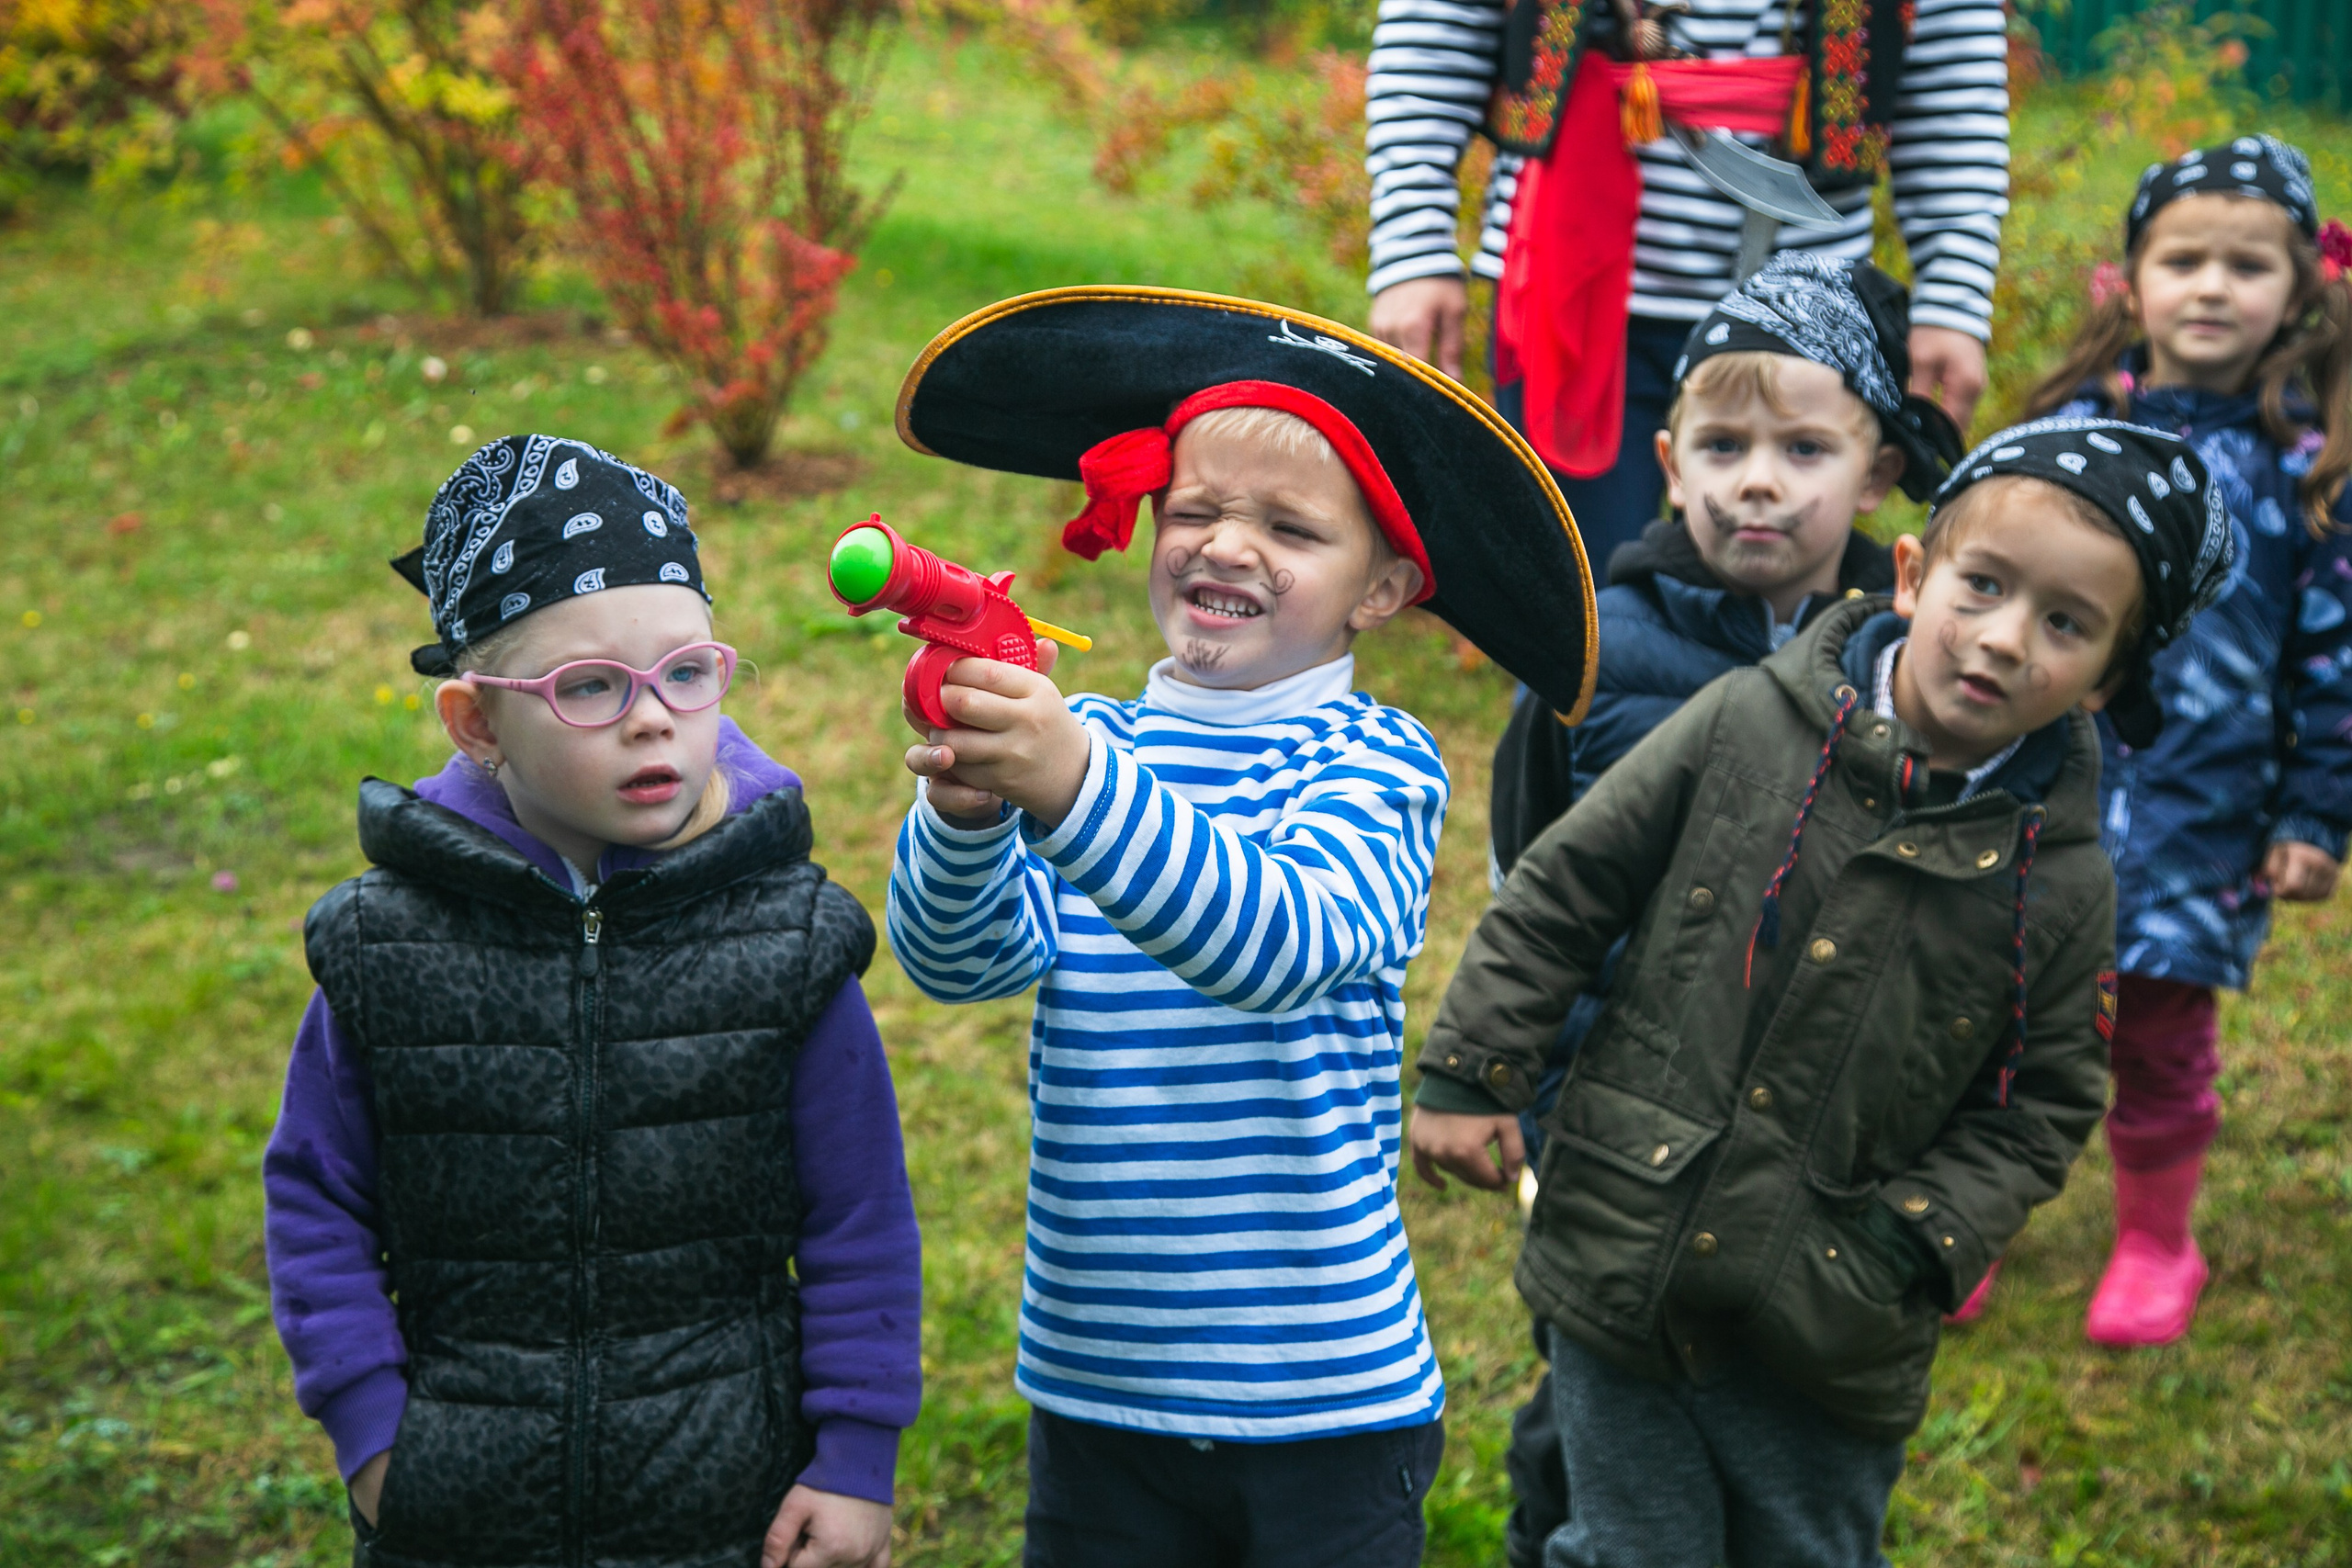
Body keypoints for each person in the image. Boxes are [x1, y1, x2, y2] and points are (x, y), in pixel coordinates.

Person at [1408, 415, 2233, 1568]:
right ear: (1910, 574)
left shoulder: (2061, 879)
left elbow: (2041, 1103)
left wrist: (1915, 1245)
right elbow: (1568, 886)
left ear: (2106, 681)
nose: (2000, 640)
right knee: (1626, 1548)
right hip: (1627, 1238)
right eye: (1982, 586)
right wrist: (1471, 1068)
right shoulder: (1749, 720)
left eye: (2064, 625)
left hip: (1830, 1315)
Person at [880, 287, 1597, 1568]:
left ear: (1382, 585)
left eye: (1289, 526)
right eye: (1196, 509)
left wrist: (1074, 790)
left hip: (1318, 1395)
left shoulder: (1379, 761)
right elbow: (957, 960)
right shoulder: (1088, 737)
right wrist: (970, 815)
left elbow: (1279, 947)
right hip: (1098, 1376)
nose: (1225, 545)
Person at [264, 436, 919, 1568]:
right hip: (460, 1509)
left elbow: (858, 1217)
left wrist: (855, 1458)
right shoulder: (386, 946)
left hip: (729, 1501)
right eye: (589, 687)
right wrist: (375, 1439)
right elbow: (317, 1200)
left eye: (687, 672)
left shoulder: (787, 939)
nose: (652, 717)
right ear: (476, 725)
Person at [1450, 253, 1960, 1565]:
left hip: (1809, 1106)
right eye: (1724, 444)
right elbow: (1537, 879)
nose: (1759, 479)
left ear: (1879, 467)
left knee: (1771, 1370)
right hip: (1616, 1101)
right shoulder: (1597, 649)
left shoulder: (1909, 671)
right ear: (1669, 461)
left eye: (1804, 446)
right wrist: (1523, 1077)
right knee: (1597, 1359)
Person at [1996, 135, 2352, 1346]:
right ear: (2129, 281)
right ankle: (1970, 1215)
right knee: (1996, 1013)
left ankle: (2157, 1235)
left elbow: (2333, 662)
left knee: (2154, 1029)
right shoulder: (2074, 433)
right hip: (2039, 793)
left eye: (2246, 265)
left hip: (2207, 808)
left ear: (2299, 288)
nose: (2212, 287)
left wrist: (2313, 814)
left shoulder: (2313, 465)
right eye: (2183, 259)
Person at [1364, 0, 2007, 566]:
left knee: (1769, 616)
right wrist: (1412, 245)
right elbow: (1434, 29)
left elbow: (1955, 68)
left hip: (1807, 315)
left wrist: (1954, 289)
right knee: (1585, 613)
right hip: (1573, 295)